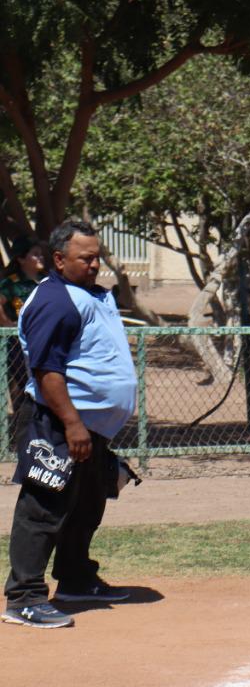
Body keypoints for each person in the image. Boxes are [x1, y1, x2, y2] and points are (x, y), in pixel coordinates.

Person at [4, 220, 138, 629]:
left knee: (86, 504)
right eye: (86, 258)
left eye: (97, 257)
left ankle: (76, 578)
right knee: (44, 506)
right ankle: (23, 596)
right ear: (59, 260)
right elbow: (46, 368)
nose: (96, 265)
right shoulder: (56, 300)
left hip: (90, 427)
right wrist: (72, 423)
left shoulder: (90, 295)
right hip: (59, 422)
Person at [1, 237, 46, 423]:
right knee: (20, 386)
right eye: (35, 254)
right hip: (18, 344)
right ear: (21, 259)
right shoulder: (11, 283)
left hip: (42, 340)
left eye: (40, 254)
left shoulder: (45, 282)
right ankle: (22, 430)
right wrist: (8, 324)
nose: (40, 257)